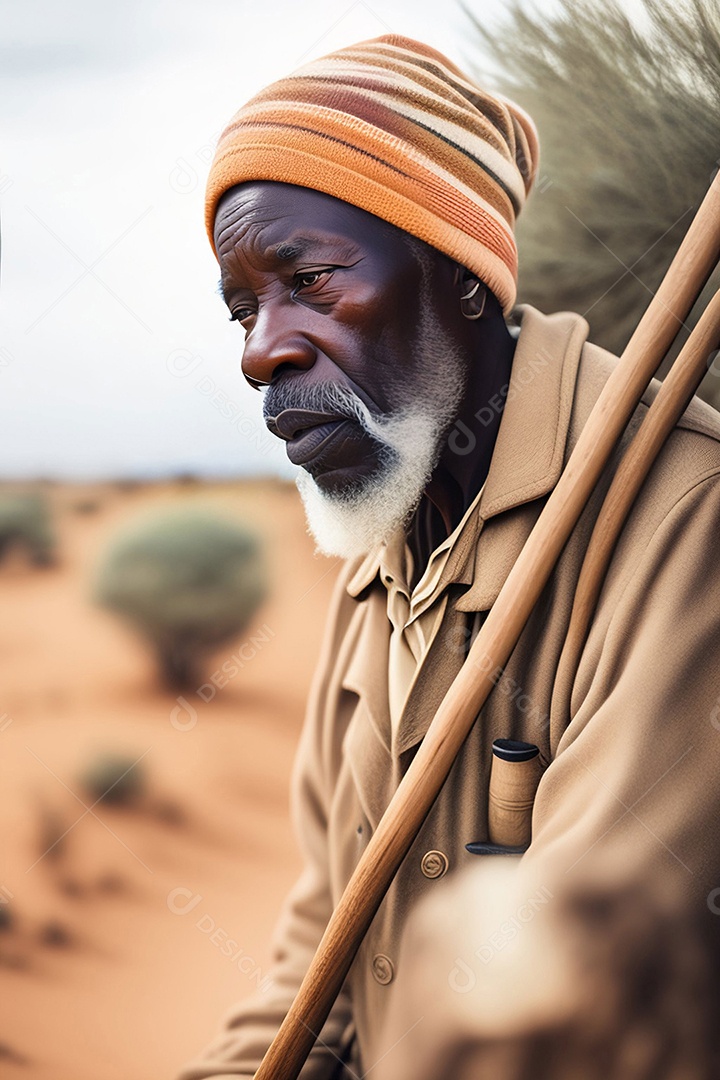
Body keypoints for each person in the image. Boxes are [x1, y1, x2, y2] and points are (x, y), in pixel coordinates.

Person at [178, 34, 720, 1080]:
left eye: (308, 279)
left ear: (462, 277)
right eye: (244, 306)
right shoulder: (381, 538)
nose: (260, 350)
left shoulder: (682, 520)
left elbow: (576, 1004)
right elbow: (322, 946)